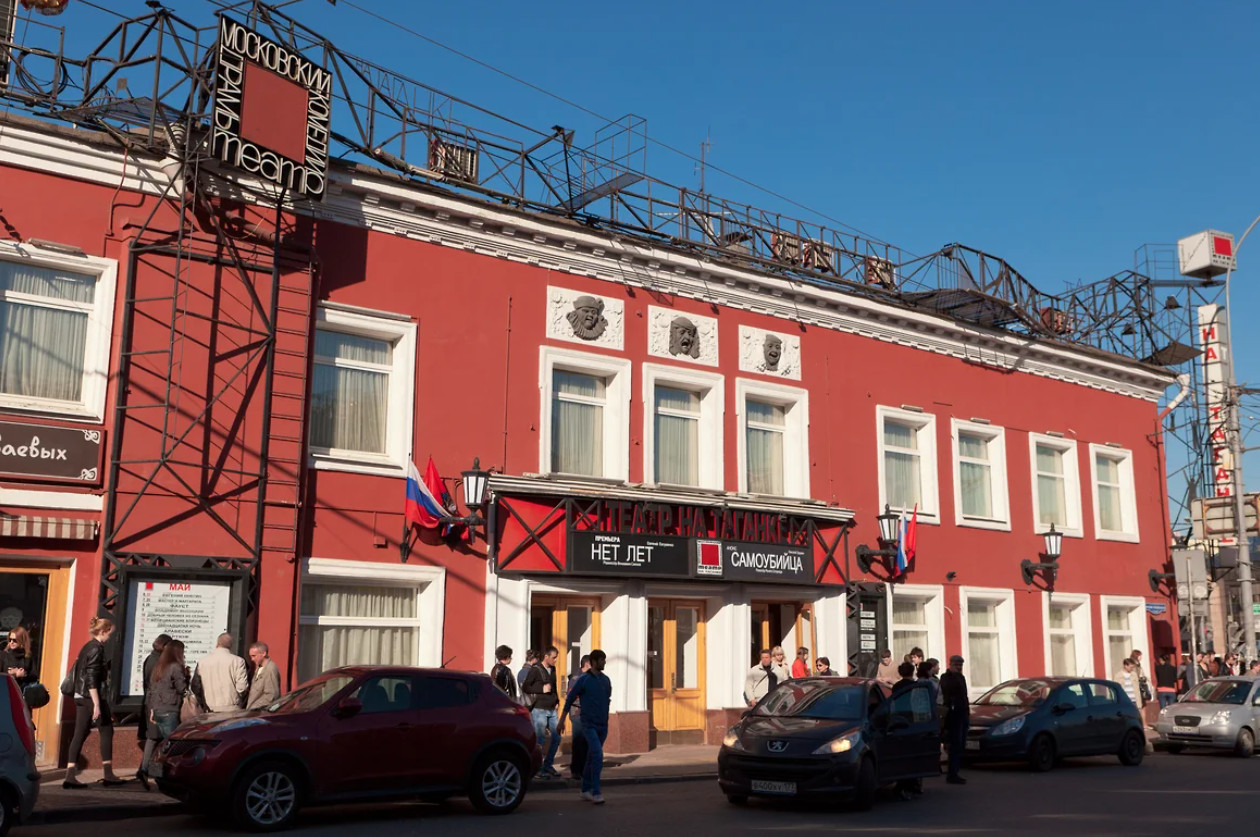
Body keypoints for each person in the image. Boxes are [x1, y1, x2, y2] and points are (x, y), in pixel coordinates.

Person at [64, 616, 125, 789]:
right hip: (91, 696)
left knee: (80, 733)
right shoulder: (96, 649)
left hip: (79, 695)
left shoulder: (87, 646)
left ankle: (70, 775)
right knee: (106, 730)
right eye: (109, 633)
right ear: (102, 631)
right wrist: (97, 704)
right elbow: (91, 678)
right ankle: (108, 774)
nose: (109, 637)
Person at [559, 649, 611, 804]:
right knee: (598, 755)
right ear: (594, 662)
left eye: (604, 659)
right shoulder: (583, 679)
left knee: (591, 757)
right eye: (601, 660)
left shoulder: (606, 680)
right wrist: (562, 720)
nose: (604, 662)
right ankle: (596, 792)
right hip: (588, 724)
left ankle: (585, 790)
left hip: (602, 725)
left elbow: (607, 699)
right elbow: (569, 699)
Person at [137, 639, 186, 790]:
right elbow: (181, 688)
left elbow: (152, 688)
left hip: (157, 709)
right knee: (169, 746)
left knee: (156, 741)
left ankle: (145, 769)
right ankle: (163, 777)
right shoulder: (175, 667)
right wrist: (187, 676)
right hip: (169, 709)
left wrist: (152, 709)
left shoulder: (159, 666)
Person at [523, 646, 562, 778]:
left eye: (556, 658)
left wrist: (557, 700)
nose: (555, 660)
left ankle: (548, 765)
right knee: (540, 739)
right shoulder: (535, 669)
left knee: (557, 737)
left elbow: (554, 686)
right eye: (554, 658)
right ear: (546, 656)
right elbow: (526, 687)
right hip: (539, 709)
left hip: (552, 709)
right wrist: (541, 689)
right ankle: (537, 769)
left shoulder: (553, 669)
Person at [191, 633, 249, 713]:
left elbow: (195, 686)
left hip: (209, 708)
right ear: (231, 645)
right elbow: (242, 687)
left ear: (217, 644)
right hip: (231, 707)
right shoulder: (238, 661)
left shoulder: (202, 662)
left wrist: (202, 703)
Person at [940, 655, 969, 785]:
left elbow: (964, 695)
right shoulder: (946, 677)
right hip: (953, 714)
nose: (958, 668)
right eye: (956, 665)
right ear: (950, 664)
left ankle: (955, 771)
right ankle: (952, 773)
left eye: (960, 665)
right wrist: (955, 675)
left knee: (961, 743)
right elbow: (948, 690)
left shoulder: (961, 677)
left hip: (962, 713)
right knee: (955, 743)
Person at [137, 634, 171, 745]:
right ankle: (149, 757)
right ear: (164, 646)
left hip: (151, 700)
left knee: (155, 735)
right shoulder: (159, 662)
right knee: (155, 737)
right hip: (157, 702)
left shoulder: (151, 658)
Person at [566, 655, 591, 780]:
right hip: (577, 713)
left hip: (587, 714)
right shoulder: (576, 679)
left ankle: (583, 770)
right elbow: (572, 697)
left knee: (586, 743)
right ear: (587, 665)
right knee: (578, 743)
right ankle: (576, 771)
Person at [246, 641, 282, 710]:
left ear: (263, 653)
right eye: (251, 656)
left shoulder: (270, 669)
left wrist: (254, 707)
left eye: (254, 656)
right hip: (255, 711)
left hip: (261, 711)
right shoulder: (260, 667)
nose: (252, 659)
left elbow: (271, 695)